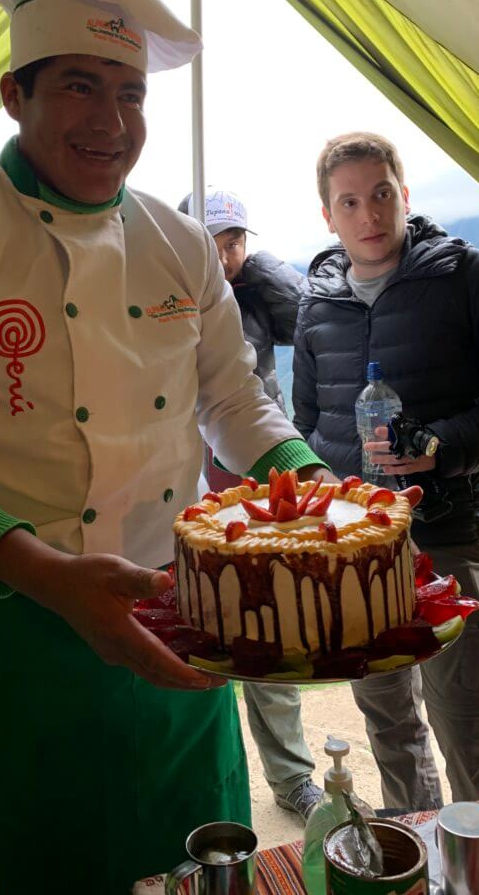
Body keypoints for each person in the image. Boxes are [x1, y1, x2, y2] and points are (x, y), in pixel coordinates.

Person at [0, 0, 336, 894]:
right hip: (13, 616)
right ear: (12, 95)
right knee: (27, 867)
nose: (112, 120)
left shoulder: (179, 241)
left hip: (182, 606)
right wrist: (57, 579)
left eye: (131, 92)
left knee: (194, 858)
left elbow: (236, 400)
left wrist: (329, 497)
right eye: (77, 85)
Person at [293, 131, 479, 810]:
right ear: (327, 215)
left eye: (381, 194)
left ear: (404, 195)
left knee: (467, 724)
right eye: (348, 202)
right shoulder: (316, 300)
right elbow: (305, 426)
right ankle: (417, 856)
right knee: (389, 723)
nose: (368, 215)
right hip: (356, 548)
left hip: (446, 533)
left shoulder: (466, 277)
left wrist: (441, 446)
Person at [179, 186, 321, 821]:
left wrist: (256, 270)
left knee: (267, 623)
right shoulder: (162, 298)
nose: (225, 253)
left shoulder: (258, 294)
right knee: (196, 631)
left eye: (235, 240)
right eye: (211, 241)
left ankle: (291, 777)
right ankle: (202, 784)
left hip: (260, 483)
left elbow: (313, 320)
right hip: (185, 489)